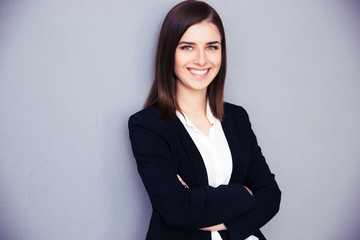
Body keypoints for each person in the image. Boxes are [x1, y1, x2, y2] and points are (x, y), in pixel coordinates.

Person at [128, 1, 281, 239]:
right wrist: (243, 194)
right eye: (187, 47)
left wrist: (208, 210)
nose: (201, 60)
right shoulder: (147, 126)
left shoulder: (237, 118)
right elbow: (179, 210)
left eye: (211, 47)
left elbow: (271, 196)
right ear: (170, 52)